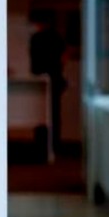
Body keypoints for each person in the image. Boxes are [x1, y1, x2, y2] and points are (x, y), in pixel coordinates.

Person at [29, 9, 68, 158]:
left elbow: (34, 62)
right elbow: (63, 56)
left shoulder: (36, 38)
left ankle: (41, 145)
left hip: (41, 80)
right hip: (55, 78)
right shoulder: (56, 36)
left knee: (40, 113)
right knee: (54, 114)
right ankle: (54, 145)